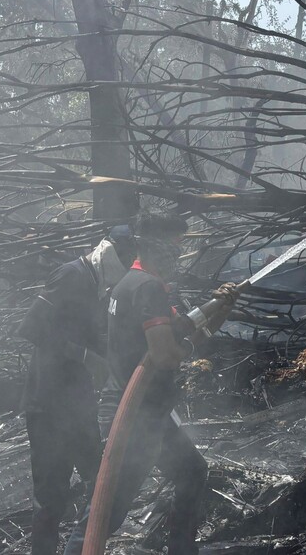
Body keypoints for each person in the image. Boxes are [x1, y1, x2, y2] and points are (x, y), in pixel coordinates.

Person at [63, 210, 240, 555]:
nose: (178, 252)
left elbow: (190, 330)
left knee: (191, 472)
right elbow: (165, 355)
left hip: (149, 415)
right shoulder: (147, 288)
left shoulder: (132, 282)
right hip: (134, 420)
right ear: (155, 246)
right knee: (105, 511)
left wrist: (222, 306)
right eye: (175, 244)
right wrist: (184, 348)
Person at [18, 226, 135, 555]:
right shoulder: (71, 276)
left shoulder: (99, 288)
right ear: (107, 251)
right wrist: (84, 356)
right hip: (48, 405)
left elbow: (92, 339)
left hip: (76, 405)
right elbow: (32, 327)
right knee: (51, 495)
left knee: (99, 481)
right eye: (122, 256)